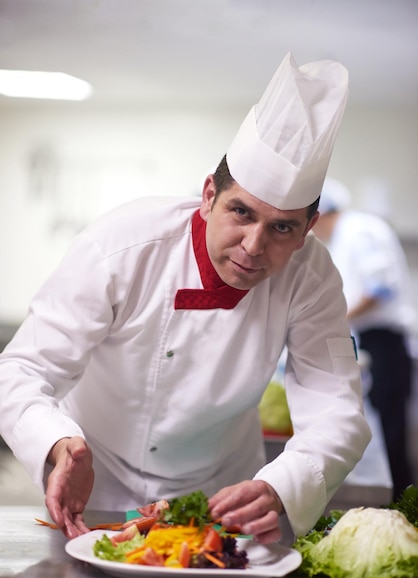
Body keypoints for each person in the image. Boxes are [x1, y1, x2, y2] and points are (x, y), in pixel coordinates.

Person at [0, 52, 371, 542]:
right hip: (95, 491)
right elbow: (21, 371)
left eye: (282, 227)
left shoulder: (312, 276)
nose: (254, 246)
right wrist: (57, 442)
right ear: (208, 196)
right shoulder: (120, 246)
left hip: (221, 501)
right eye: (241, 212)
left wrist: (282, 486)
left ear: (307, 230)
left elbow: (336, 409)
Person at [313, 178, 416, 499]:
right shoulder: (344, 236)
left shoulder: (360, 229)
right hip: (371, 340)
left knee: (390, 434)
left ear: (321, 214)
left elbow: (379, 289)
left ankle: (403, 509)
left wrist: (333, 321)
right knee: (382, 432)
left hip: (386, 342)